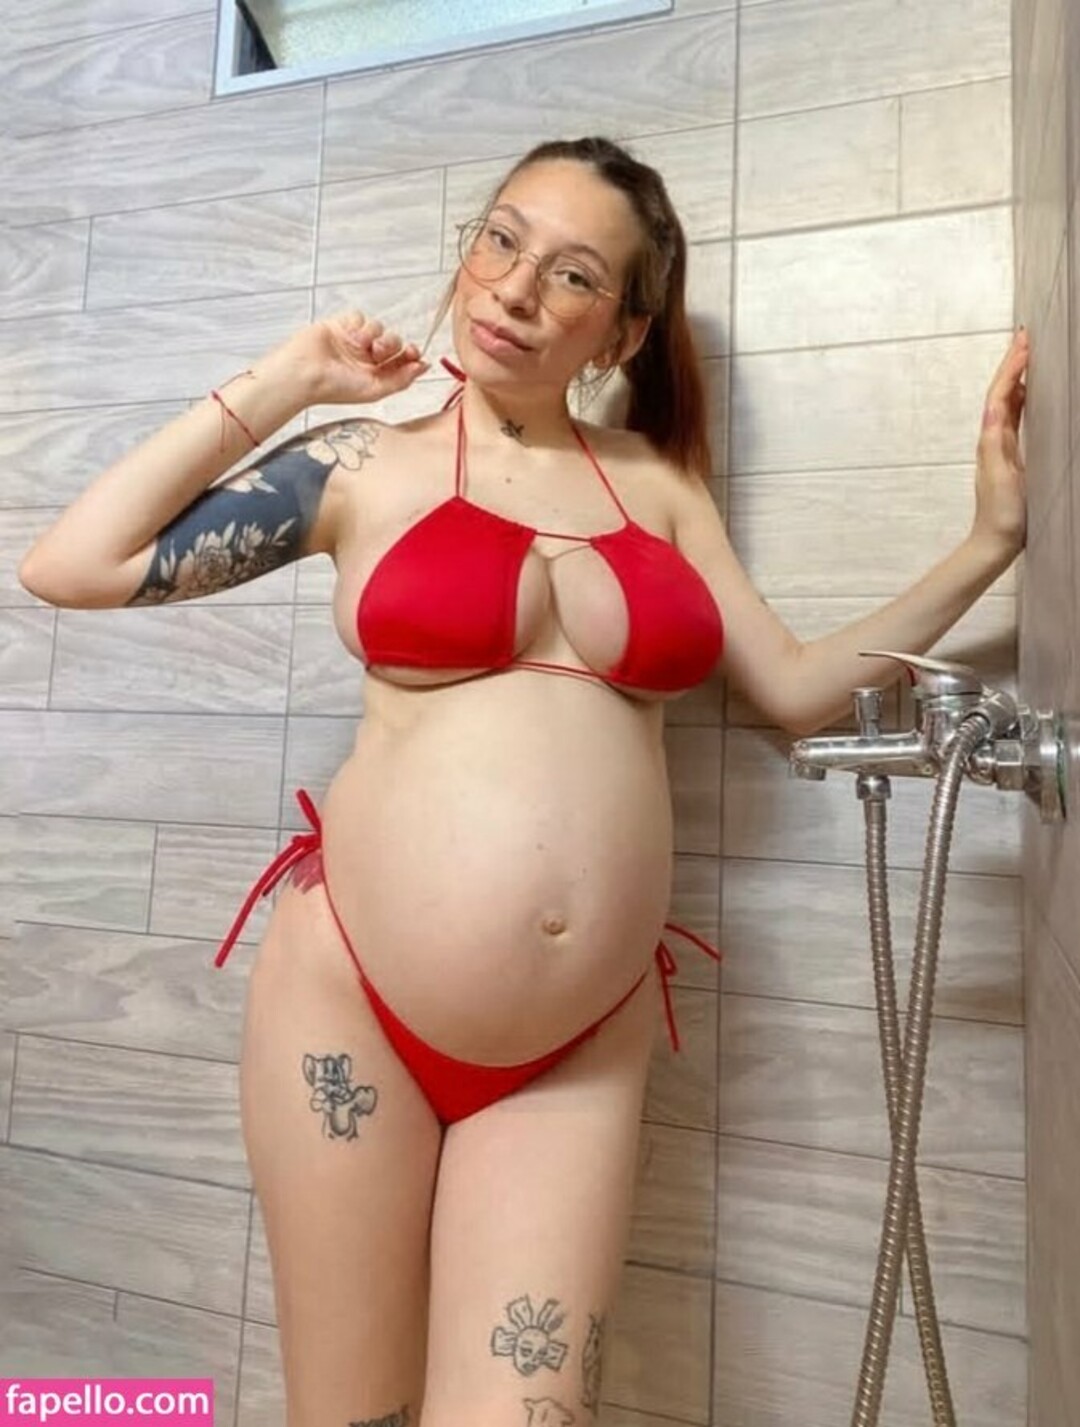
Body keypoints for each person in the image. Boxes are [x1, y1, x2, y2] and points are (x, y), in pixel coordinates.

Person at [18, 136, 1028, 1427]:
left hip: (577, 1043)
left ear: (623, 331)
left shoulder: (659, 488)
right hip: (356, 1002)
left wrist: (991, 540)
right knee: (352, 1414)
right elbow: (75, 563)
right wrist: (292, 378)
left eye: (573, 274)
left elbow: (792, 689)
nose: (514, 288)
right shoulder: (361, 465)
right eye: (501, 239)